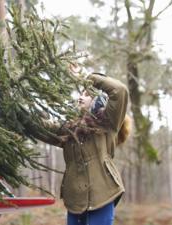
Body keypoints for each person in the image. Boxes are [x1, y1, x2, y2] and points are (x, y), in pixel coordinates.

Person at [40, 72, 130, 225]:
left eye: (87, 94)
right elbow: (43, 129)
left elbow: (120, 90)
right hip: (74, 200)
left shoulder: (108, 122)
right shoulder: (69, 129)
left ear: (98, 99)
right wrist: (16, 112)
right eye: (80, 94)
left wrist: (85, 78)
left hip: (103, 196)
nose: (80, 97)